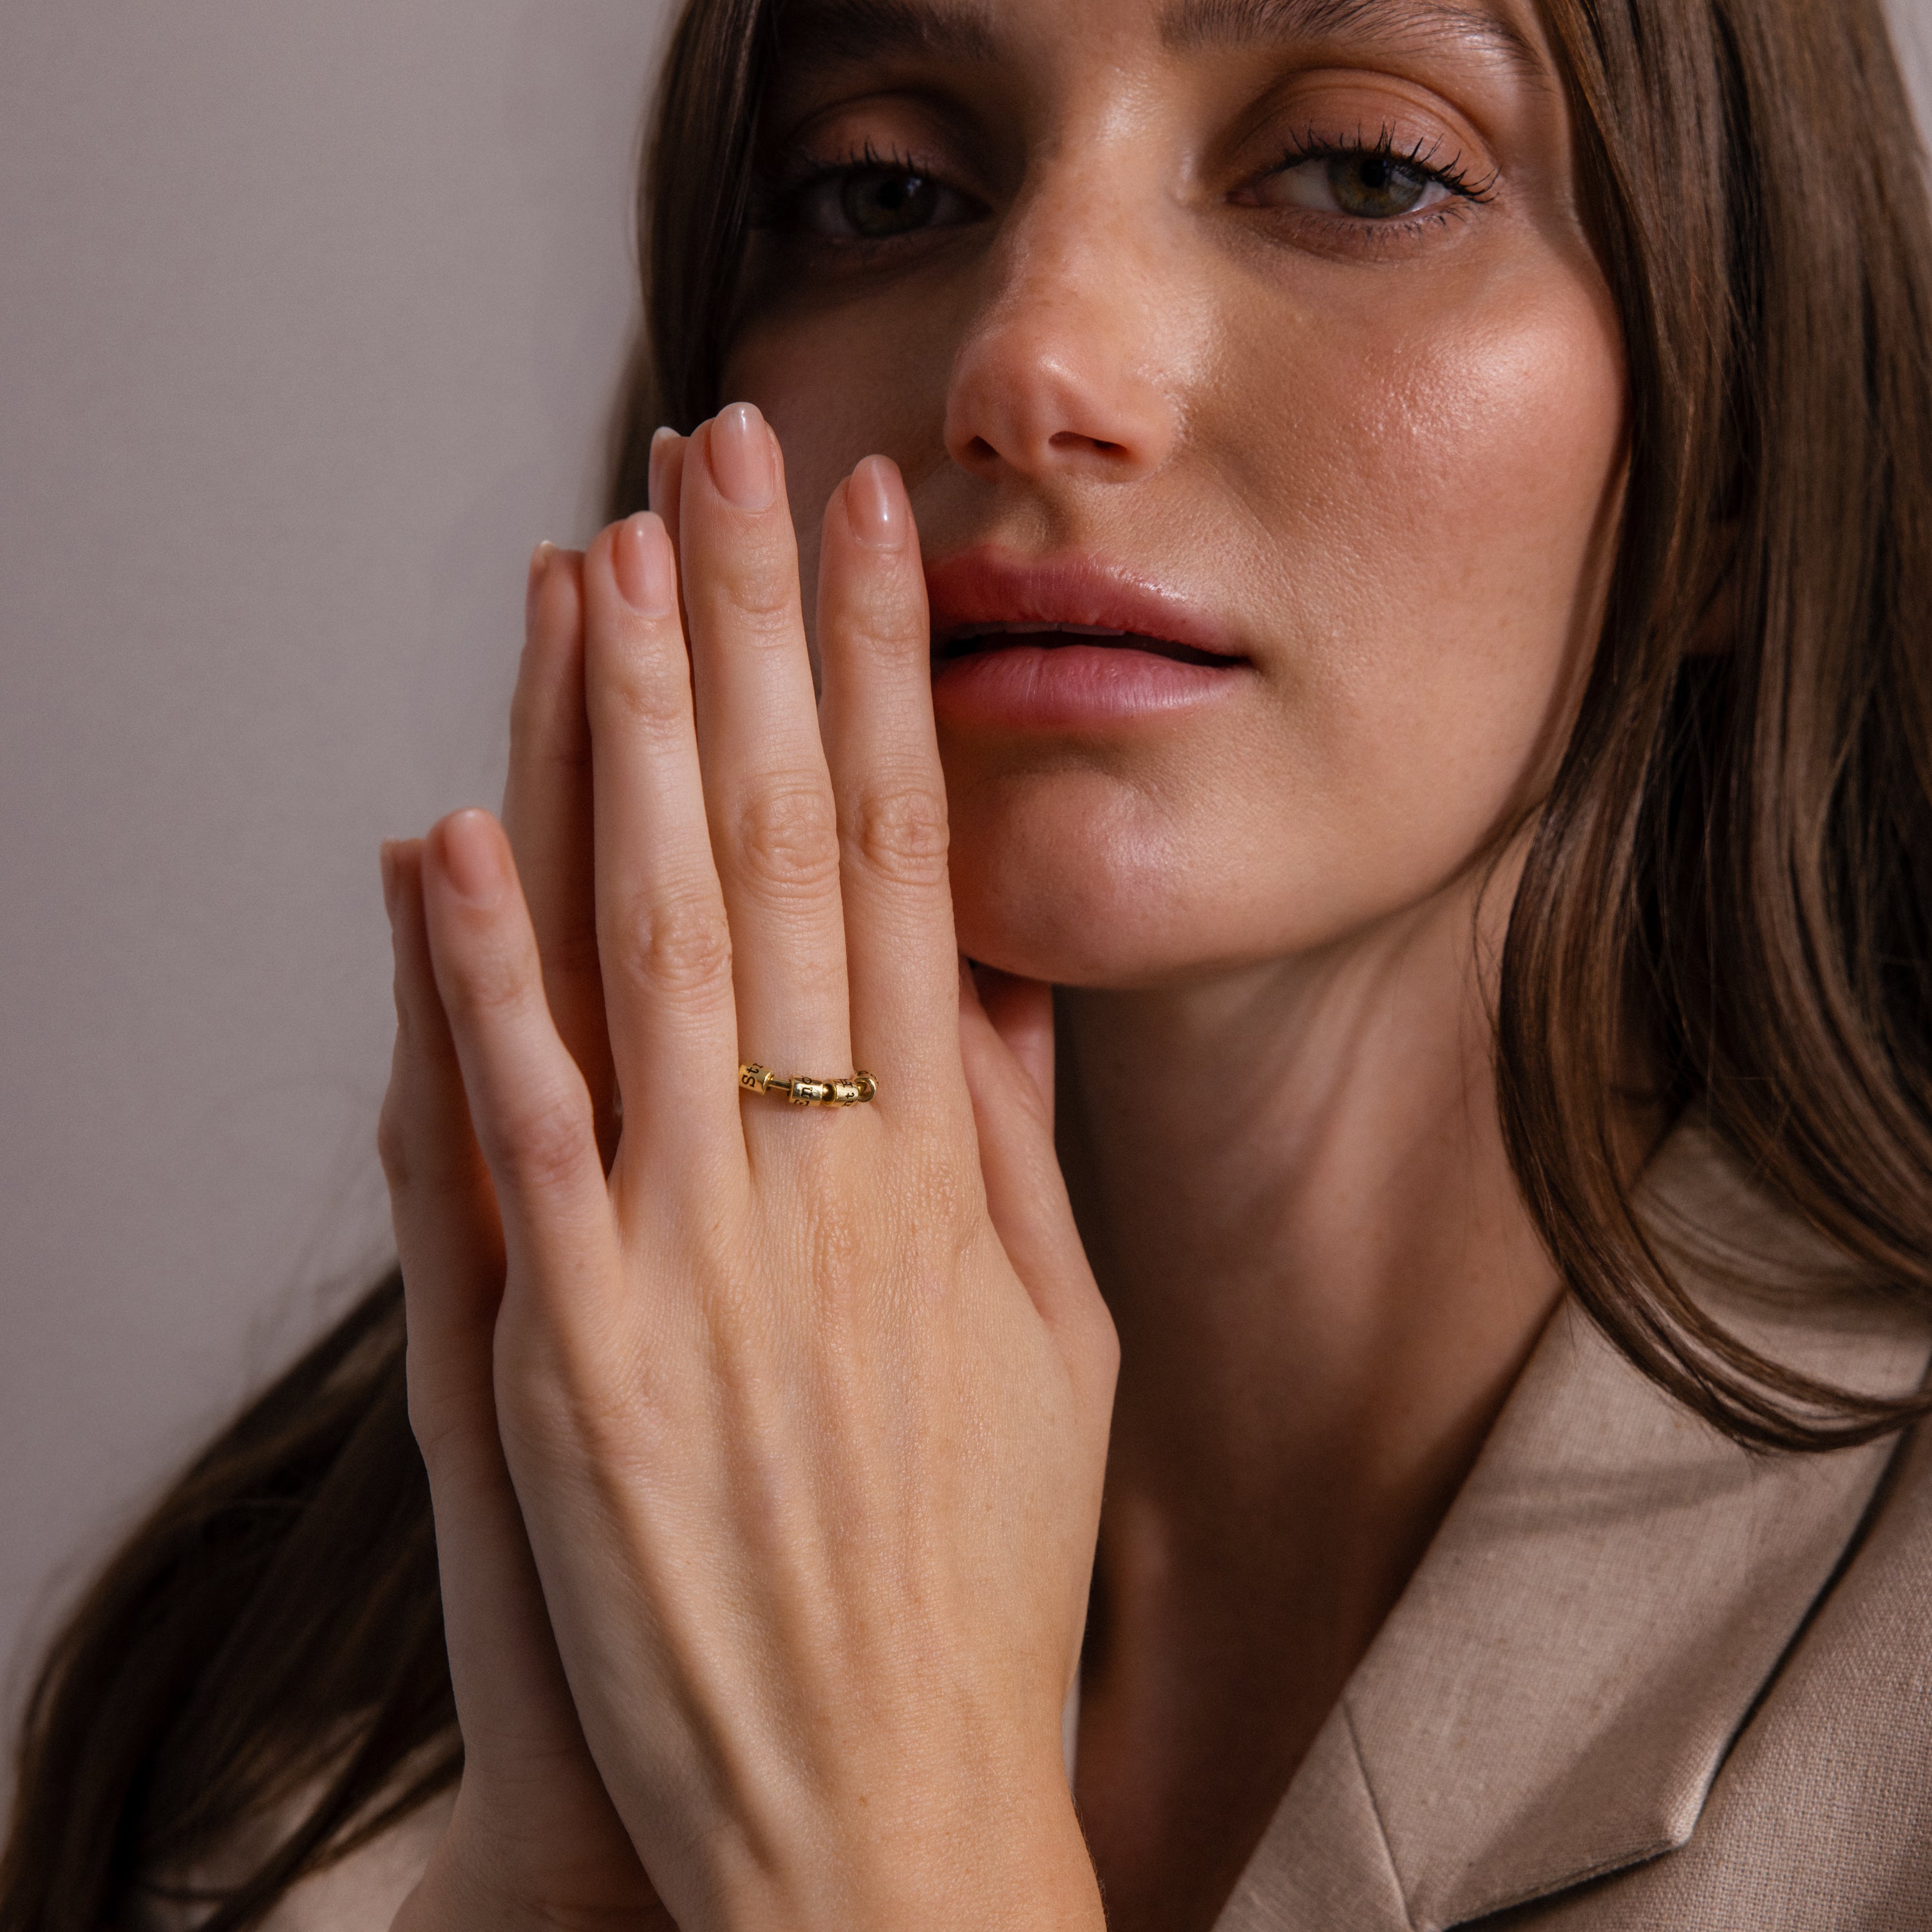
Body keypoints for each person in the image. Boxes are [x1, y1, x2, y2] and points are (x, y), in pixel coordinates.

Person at [6, 0, 1932, 1924]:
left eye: (1367, 171)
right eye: (884, 187)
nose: (1031, 363)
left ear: (1743, 450)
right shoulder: (258, 1730)